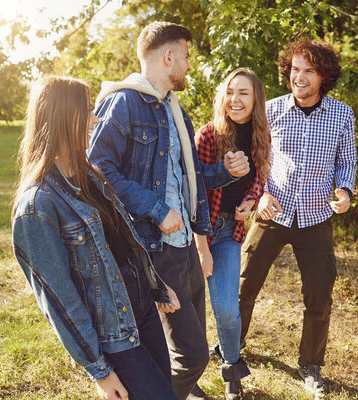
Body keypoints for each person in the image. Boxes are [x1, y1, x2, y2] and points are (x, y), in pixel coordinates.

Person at [88, 22, 250, 400]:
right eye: (187, 57)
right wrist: (156, 209)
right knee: (194, 356)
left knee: (179, 348)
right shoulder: (123, 102)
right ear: (168, 56)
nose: (190, 66)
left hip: (185, 247)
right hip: (152, 248)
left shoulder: (173, 111)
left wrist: (225, 172)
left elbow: (188, 178)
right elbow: (97, 168)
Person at [11, 75, 182, 400]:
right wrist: (100, 372)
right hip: (115, 333)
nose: (96, 118)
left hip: (143, 310)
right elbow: (60, 301)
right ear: (63, 118)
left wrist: (154, 285)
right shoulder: (37, 206)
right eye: (87, 110)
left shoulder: (89, 174)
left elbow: (124, 243)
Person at [237, 39, 357, 395]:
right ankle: (232, 347)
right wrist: (260, 194)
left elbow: (346, 161)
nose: (299, 77)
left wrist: (346, 192)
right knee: (243, 283)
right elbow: (258, 156)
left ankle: (310, 364)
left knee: (319, 294)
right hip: (271, 211)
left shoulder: (342, 115)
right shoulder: (270, 109)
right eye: (295, 69)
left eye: (309, 70)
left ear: (324, 76)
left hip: (316, 217)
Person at [193, 68, 270, 400]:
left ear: (256, 99)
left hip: (229, 230)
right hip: (198, 231)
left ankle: (231, 368)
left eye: (244, 93)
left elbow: (261, 175)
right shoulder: (208, 136)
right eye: (230, 92)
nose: (235, 100)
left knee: (226, 308)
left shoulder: (260, 135)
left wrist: (251, 200)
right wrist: (201, 247)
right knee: (191, 309)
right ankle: (186, 374)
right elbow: (193, 192)